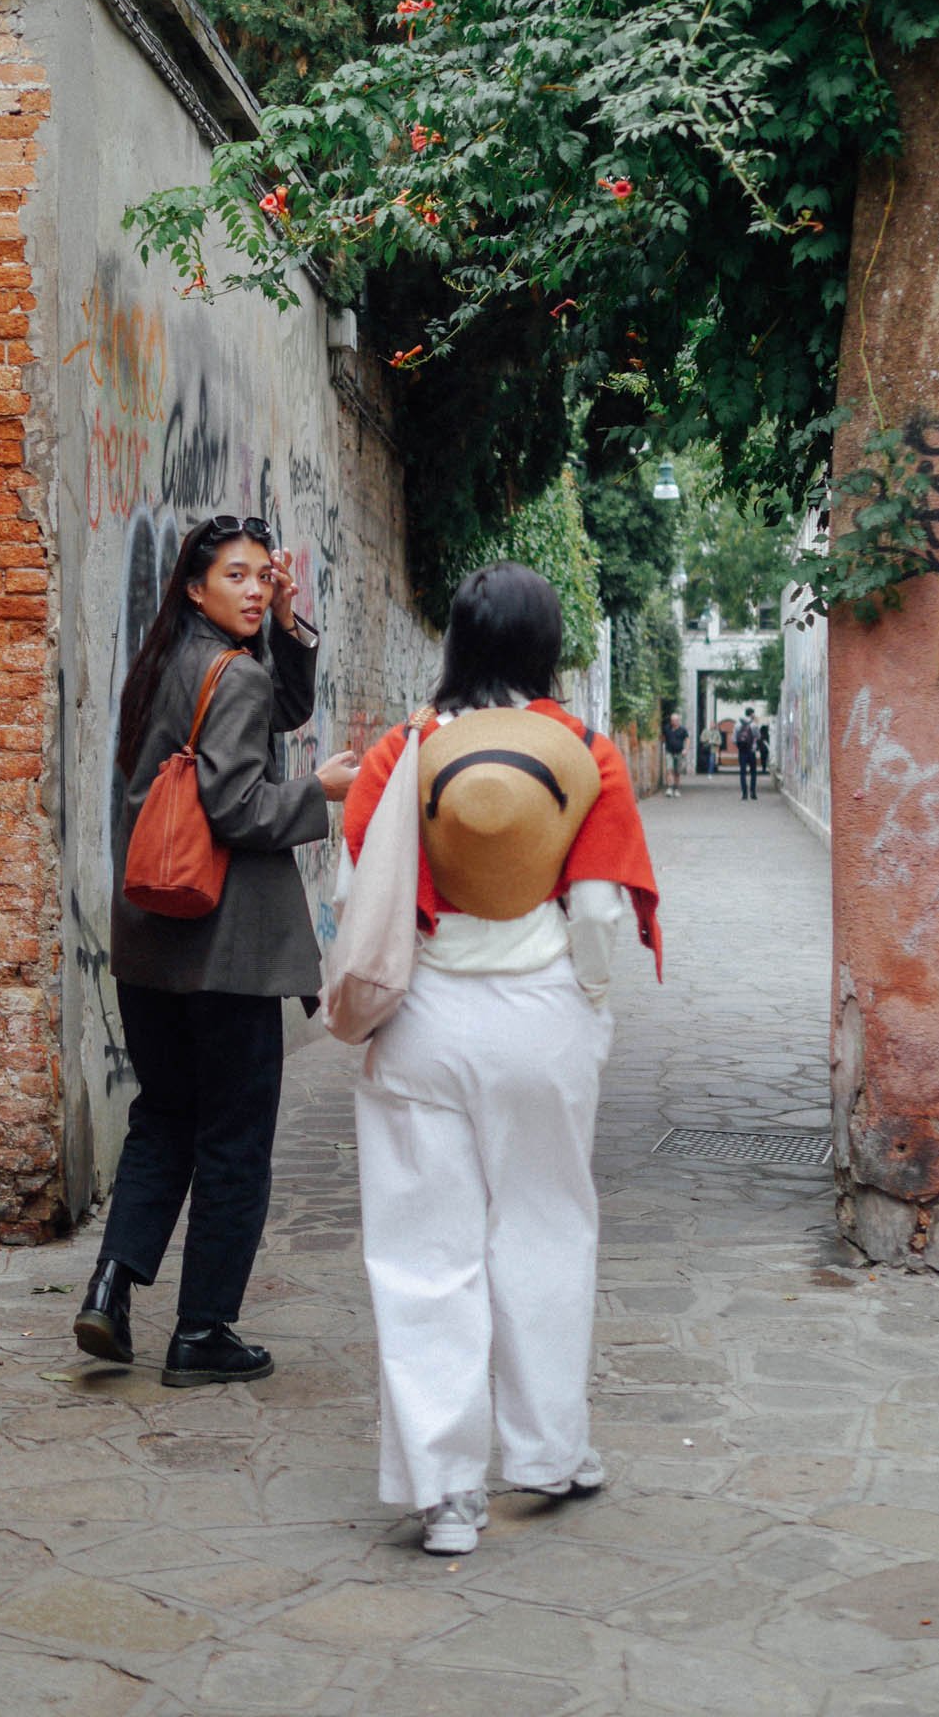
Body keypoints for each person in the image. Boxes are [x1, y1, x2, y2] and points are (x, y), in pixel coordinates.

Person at [340, 562, 661, 1557]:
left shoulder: (403, 749)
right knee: (545, 1228)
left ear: (458, 642)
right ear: (545, 646)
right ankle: (548, 1453)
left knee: (421, 1251)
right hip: (541, 1017)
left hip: (422, 1019)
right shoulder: (584, 751)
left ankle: (444, 1493)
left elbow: (359, 888)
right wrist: (588, 1006)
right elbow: (598, 912)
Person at [74, 513, 358, 1387]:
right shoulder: (230, 677)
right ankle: (202, 1330)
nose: (254, 589)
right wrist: (319, 791)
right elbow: (237, 809)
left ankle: (111, 1286)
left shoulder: (164, 662)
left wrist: (287, 624)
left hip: (151, 942)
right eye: (236, 576)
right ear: (196, 588)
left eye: (261, 576)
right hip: (225, 950)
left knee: (165, 1115)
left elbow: (280, 708)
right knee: (234, 1138)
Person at [734, 704, 759, 801]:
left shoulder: (737, 724)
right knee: (753, 772)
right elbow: (758, 736)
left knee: (742, 772)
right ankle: (753, 792)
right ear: (751, 714)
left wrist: (740, 746)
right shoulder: (754, 725)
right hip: (751, 751)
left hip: (742, 751)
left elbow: (734, 739)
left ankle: (744, 793)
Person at [662, 710, 689, 796]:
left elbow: (687, 739)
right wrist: (665, 745)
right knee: (669, 769)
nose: (674, 722)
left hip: (679, 753)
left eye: (676, 720)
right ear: (671, 721)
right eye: (673, 720)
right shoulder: (667, 728)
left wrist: (686, 749)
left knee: (677, 772)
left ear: (678, 721)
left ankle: (676, 789)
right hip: (669, 752)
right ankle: (669, 788)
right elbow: (663, 738)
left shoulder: (683, 730)